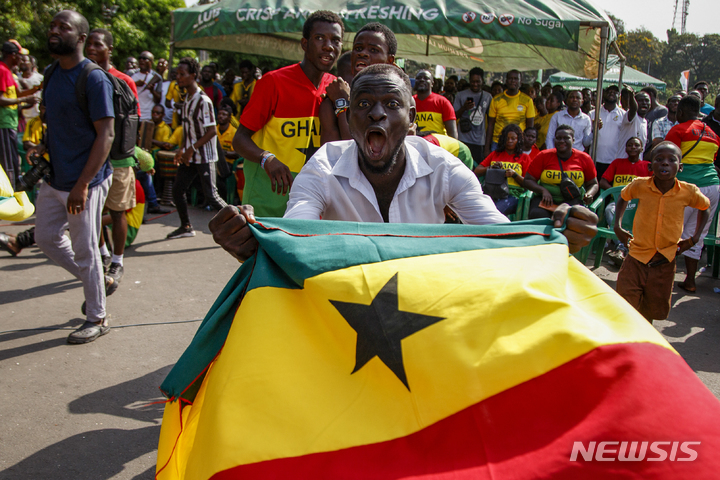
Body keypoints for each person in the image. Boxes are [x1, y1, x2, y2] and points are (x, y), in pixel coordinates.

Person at [210, 64, 598, 262]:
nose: (376, 114)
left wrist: (558, 238)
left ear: (413, 119)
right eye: (363, 105)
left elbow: (501, 235)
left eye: (392, 105)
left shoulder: (444, 168)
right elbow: (295, 235)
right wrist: (247, 243)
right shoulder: (322, 167)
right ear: (351, 120)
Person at [28, 10, 115, 344]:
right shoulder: (51, 73)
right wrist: (42, 146)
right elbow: (57, 120)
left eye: (63, 27)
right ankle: (97, 282)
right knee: (46, 237)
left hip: (86, 181)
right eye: (52, 25)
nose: (54, 30)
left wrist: (82, 186)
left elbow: (105, 135)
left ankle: (98, 316)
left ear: (80, 38)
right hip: (55, 176)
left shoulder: (93, 78)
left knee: (86, 249)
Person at [232, 11, 344, 218]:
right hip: (269, 193)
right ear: (304, 43)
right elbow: (239, 139)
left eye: (335, 40)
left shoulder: (336, 88)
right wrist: (267, 159)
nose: (329, 45)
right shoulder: (273, 82)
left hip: (311, 195)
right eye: (320, 38)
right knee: (261, 250)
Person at [614, 142, 710, 322]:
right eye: (659, 159)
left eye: (671, 160)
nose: (665, 163)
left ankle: (645, 339)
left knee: (652, 308)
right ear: (650, 166)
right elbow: (623, 197)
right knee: (625, 304)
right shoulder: (640, 185)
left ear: (680, 167)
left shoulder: (688, 191)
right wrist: (617, 226)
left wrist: (695, 237)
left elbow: (705, 207)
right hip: (636, 257)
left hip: (664, 260)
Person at [85, 28, 139, 288]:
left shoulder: (124, 80)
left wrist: (134, 153)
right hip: (90, 161)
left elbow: (133, 122)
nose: (91, 49)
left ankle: (117, 260)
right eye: (89, 44)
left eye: (97, 44)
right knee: (93, 215)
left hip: (118, 160)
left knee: (117, 213)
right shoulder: (83, 76)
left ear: (109, 49)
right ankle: (103, 254)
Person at [166, 57, 226, 238]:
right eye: (177, 74)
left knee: (212, 196)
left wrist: (191, 148)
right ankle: (186, 226)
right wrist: (182, 149)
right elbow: (187, 129)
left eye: (182, 74)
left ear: (193, 75)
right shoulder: (187, 99)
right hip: (190, 155)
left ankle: (243, 224)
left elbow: (211, 131)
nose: (179, 77)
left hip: (204, 155)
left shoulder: (203, 100)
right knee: (178, 190)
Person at [665, 95, 720, 292]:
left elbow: (668, 159)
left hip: (687, 187)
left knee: (672, 230)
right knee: (697, 234)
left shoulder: (678, 129)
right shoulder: (713, 134)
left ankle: (663, 277)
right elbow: (710, 161)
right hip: (712, 188)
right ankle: (690, 281)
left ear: (680, 111)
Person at [319, 22, 397, 145]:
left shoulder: (397, 101)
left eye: (373, 50)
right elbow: (334, 153)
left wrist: (342, 103)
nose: (362, 53)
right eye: (358, 48)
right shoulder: (331, 102)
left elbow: (371, 151)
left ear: (389, 61)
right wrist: (341, 102)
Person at [524, 125, 599, 219]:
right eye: (558, 138)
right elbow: (528, 180)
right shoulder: (543, 156)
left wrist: (589, 194)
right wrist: (543, 190)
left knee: (571, 219)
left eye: (566, 138)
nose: (561, 141)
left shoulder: (584, 158)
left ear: (573, 140)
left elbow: (593, 183)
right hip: (545, 201)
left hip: (572, 201)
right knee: (538, 214)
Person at [598, 137, 651, 265]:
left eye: (636, 145)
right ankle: (624, 246)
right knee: (609, 210)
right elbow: (603, 181)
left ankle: (621, 249)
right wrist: (616, 192)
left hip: (638, 204)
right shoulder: (617, 163)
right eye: (630, 145)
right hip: (618, 201)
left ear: (642, 149)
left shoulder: (647, 166)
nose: (633, 147)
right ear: (625, 148)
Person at [1, 40, 40, 187]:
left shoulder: (8, 71)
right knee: (8, 163)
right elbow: (1, 99)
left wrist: (38, 88)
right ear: (12, 55)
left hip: (11, 122)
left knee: (12, 160)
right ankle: (10, 195)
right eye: (19, 56)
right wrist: (26, 99)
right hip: (3, 123)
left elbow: (18, 93)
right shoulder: (2, 70)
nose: (21, 59)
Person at [474, 124, 531, 215]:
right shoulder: (495, 154)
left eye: (513, 138)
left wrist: (514, 175)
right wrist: (491, 168)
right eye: (507, 138)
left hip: (512, 195)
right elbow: (477, 171)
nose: (509, 141)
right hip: (492, 191)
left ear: (518, 140)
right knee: (477, 209)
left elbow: (528, 183)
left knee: (495, 211)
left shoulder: (524, 157)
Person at [485, 70, 535, 156]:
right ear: (506, 81)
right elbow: (490, 125)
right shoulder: (496, 99)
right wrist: (486, 148)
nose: (513, 81)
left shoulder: (527, 100)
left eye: (516, 79)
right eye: (510, 79)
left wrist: (527, 146)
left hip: (518, 144)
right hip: (498, 142)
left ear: (520, 81)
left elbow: (530, 126)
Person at [454, 67, 492, 165]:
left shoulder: (487, 97)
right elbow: (454, 116)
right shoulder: (460, 95)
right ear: (469, 81)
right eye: (473, 81)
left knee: (476, 169)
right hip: (463, 139)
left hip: (479, 141)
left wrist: (487, 147)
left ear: (482, 81)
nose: (475, 84)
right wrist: (464, 108)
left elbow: (491, 121)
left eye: (478, 81)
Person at [588, 85, 624, 178]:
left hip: (613, 159)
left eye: (615, 92)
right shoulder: (593, 113)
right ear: (603, 93)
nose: (611, 93)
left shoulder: (623, 115)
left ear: (618, 95)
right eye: (609, 91)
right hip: (595, 157)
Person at [413, 70, 457, 138]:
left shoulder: (443, 102)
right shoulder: (409, 102)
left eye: (426, 78)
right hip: (414, 145)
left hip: (437, 146)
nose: (422, 80)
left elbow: (452, 133)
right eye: (418, 78)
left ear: (432, 83)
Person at [615, 88, 649, 162]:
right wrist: (631, 95)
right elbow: (633, 109)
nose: (644, 103)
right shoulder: (630, 116)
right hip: (623, 163)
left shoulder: (645, 121)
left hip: (636, 165)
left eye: (647, 101)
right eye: (640, 101)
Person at [131, 51, 162, 121]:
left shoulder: (156, 77)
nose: (141, 60)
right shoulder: (131, 74)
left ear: (151, 62)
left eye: (145, 58)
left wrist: (152, 91)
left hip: (148, 116)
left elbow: (159, 100)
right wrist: (135, 84)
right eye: (140, 58)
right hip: (133, 114)